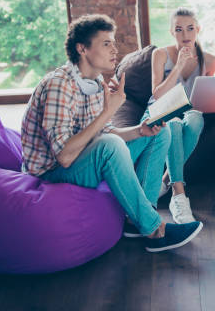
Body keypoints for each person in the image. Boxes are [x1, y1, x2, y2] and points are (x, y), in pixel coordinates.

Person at [21, 14, 203, 253]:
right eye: (106, 43)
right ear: (82, 48)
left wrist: (140, 130)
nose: (114, 49)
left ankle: (138, 217)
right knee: (109, 145)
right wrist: (109, 110)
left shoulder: (95, 82)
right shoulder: (59, 85)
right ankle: (154, 229)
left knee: (159, 132)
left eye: (113, 42)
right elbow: (64, 157)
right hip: (53, 172)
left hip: (83, 158)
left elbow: (107, 132)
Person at [146, 8, 215, 224]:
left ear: (198, 30)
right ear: (171, 32)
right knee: (174, 125)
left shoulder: (209, 60)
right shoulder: (160, 54)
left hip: (190, 109)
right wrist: (178, 67)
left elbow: (205, 94)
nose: (185, 34)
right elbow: (156, 94)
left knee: (196, 119)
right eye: (178, 29)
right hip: (162, 108)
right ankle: (178, 194)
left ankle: (166, 179)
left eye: (190, 28)